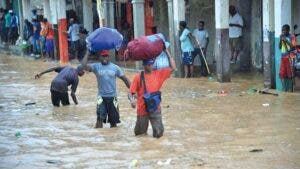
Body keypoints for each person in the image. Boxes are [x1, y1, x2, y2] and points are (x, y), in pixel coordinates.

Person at [128, 49, 176, 138]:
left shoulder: (159, 74)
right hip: (142, 109)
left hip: (155, 107)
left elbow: (173, 68)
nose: (150, 66)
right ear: (144, 65)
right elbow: (130, 92)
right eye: (148, 65)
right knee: (140, 135)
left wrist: (167, 53)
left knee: (159, 134)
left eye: (151, 64)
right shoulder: (138, 77)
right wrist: (132, 101)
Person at [81, 50, 131, 128]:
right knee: (99, 120)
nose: (105, 58)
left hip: (113, 97)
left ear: (109, 57)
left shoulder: (115, 67)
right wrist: (87, 52)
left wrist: (133, 91)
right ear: (99, 57)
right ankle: (99, 138)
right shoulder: (96, 66)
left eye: (106, 56)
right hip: (101, 98)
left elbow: (125, 79)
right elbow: (83, 66)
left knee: (114, 122)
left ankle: (113, 138)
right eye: (103, 56)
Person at [279, 24, 296, 92]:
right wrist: (281, 40)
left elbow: (293, 47)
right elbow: (279, 47)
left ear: (288, 30)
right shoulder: (282, 37)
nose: (283, 32)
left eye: (284, 30)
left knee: (290, 74)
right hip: (283, 57)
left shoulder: (292, 37)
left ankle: (290, 89)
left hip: (290, 57)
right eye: (282, 30)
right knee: (282, 74)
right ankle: (284, 89)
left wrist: (286, 40)